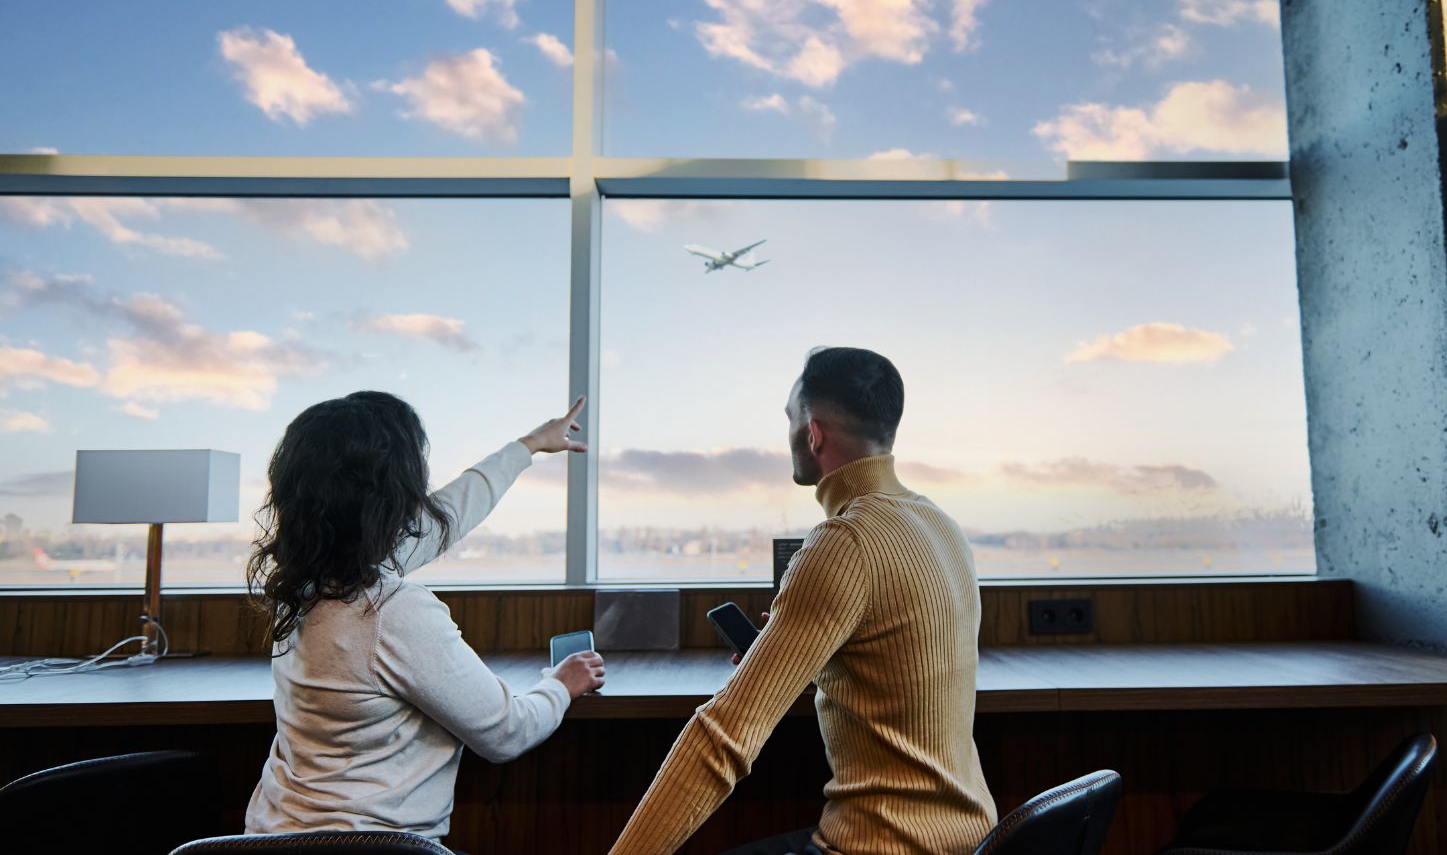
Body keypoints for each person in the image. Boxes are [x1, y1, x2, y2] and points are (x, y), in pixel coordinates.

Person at [611, 347, 997, 855]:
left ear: (812, 433)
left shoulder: (844, 541)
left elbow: (723, 738)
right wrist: (799, 653)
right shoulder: (942, 526)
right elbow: (900, 666)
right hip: (973, 838)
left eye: (790, 419)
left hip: (879, 844)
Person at [244, 391, 604, 841]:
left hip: (274, 837)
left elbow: (440, 523)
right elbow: (506, 733)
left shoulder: (299, 586)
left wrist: (526, 446)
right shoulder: (388, 611)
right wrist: (561, 684)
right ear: (393, 495)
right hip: (375, 848)